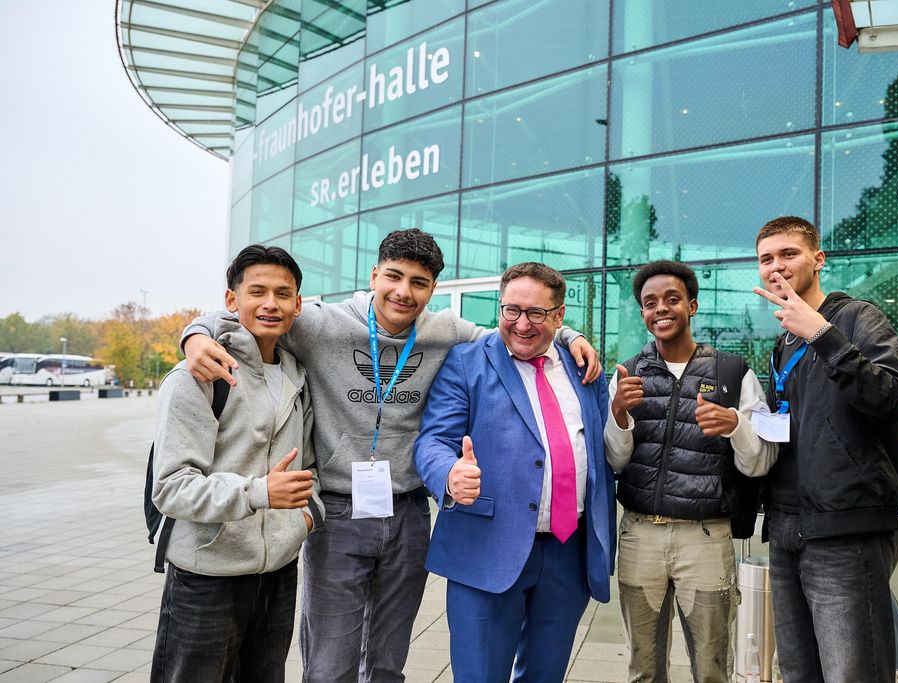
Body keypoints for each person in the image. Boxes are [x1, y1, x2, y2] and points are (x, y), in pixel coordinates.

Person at [181, 230, 601, 683]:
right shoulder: (322, 324)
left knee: (388, 660)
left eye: (418, 282)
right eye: (394, 277)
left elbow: (518, 328)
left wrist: (571, 334)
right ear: (374, 275)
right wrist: (195, 334)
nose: (404, 292)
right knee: (330, 662)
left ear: (432, 289)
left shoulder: (444, 331)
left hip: (408, 513)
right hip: (339, 513)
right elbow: (257, 312)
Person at [414, 262, 616, 683]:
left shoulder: (585, 370)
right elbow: (432, 440)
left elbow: (600, 450)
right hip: (488, 548)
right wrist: (450, 473)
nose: (522, 324)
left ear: (559, 316)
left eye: (536, 314)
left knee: (546, 675)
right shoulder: (467, 362)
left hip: (568, 550)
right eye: (511, 310)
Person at [150, 245, 324, 682]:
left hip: (278, 573)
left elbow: (311, 466)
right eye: (257, 291)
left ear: (298, 304)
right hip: (208, 574)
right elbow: (171, 486)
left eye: (283, 294)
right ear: (231, 301)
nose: (271, 303)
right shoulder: (196, 376)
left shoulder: (297, 376)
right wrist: (258, 492)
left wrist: (305, 518)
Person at [753, 216, 898, 683]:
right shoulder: (781, 341)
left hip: (845, 530)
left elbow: (893, 397)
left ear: (818, 259)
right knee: (799, 671)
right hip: (786, 527)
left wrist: (822, 335)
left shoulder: (857, 318)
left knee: (854, 671)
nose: (776, 266)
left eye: (789, 254)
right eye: (766, 258)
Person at [604, 260, 777, 683]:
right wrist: (619, 415)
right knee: (643, 669)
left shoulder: (734, 373)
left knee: (713, 668)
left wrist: (735, 424)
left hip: (706, 537)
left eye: (672, 299)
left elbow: (761, 462)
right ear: (643, 313)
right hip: (639, 534)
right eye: (650, 303)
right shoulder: (628, 374)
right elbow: (614, 461)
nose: (660, 309)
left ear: (692, 306)